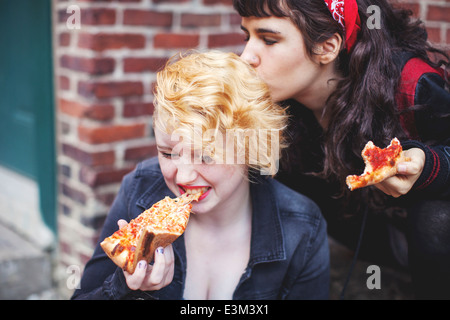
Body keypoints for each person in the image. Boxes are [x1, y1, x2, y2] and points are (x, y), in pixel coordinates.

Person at [233, 0, 450, 299]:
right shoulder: (276, 102)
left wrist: (427, 165)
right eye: (247, 36)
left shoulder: (410, 84)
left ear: (326, 47)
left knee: (435, 216)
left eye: (269, 40)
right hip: (371, 233)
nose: (246, 57)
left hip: (432, 234)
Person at [71, 51, 330, 300]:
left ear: (250, 148)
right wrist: (124, 288)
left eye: (206, 156)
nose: (182, 176)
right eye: (168, 153)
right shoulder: (138, 188)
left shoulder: (303, 227)